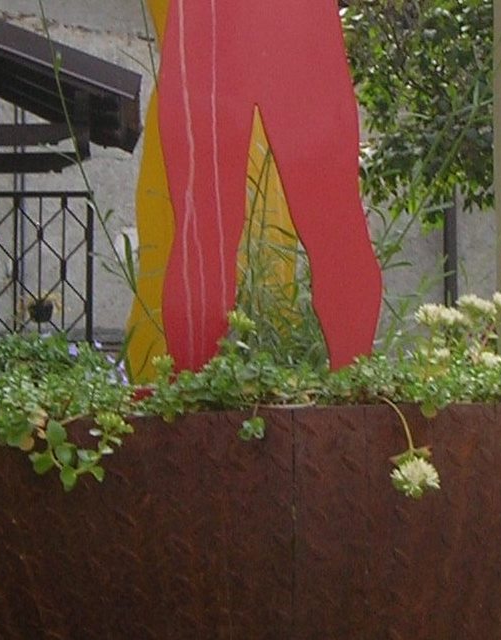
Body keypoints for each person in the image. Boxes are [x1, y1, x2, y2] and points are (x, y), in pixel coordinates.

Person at [153, 0, 384, 371]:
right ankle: (188, 383)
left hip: (250, 23)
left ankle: (354, 372)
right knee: (202, 225)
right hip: (221, 24)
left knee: (328, 217)